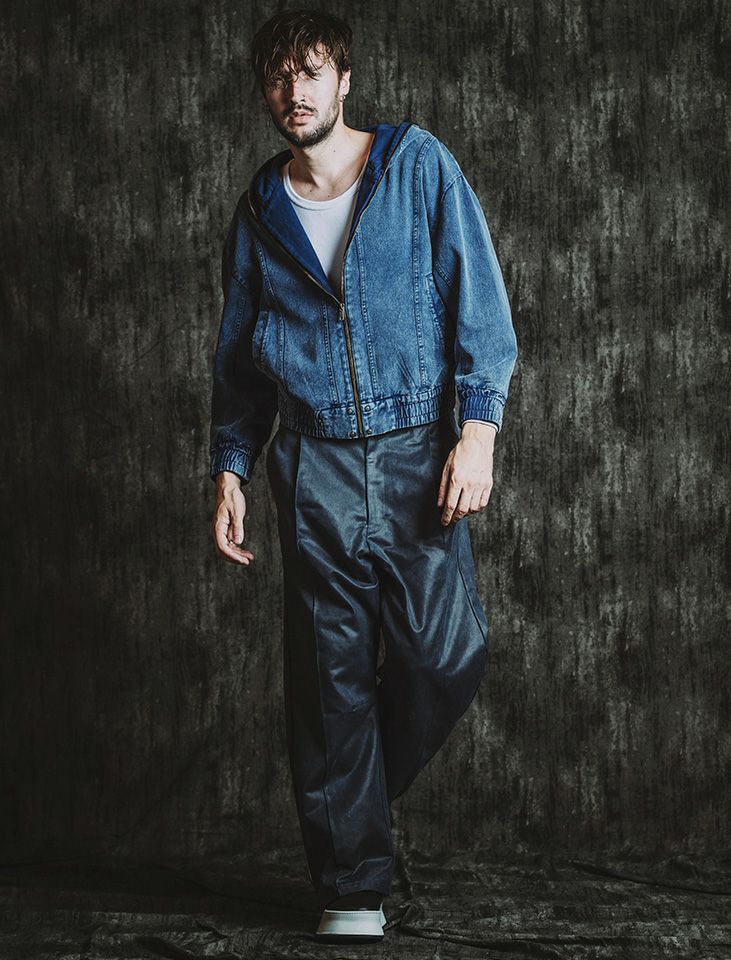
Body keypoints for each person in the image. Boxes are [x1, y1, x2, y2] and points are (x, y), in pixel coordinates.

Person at [208, 8, 518, 943]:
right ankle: (353, 887)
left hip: (419, 452)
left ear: (344, 80)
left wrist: (478, 431)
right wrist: (231, 467)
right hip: (312, 467)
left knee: (448, 656)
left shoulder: (418, 166)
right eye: (278, 77)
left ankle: (356, 811)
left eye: (311, 72)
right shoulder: (260, 211)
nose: (293, 92)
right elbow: (238, 356)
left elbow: (481, 304)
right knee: (330, 678)